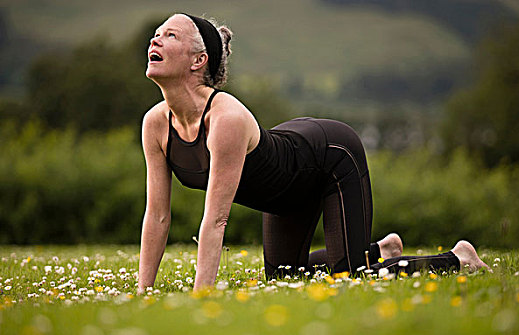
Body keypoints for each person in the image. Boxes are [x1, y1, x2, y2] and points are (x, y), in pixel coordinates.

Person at [137, 13, 489, 293]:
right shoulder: (155, 124)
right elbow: (157, 217)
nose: (156, 38)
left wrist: (202, 299)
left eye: (171, 35)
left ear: (200, 60)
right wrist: (143, 293)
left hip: (330, 158)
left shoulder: (224, 118)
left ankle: (457, 258)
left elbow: (216, 220)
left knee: (347, 276)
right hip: (285, 192)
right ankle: (382, 250)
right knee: (286, 278)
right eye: (158, 32)